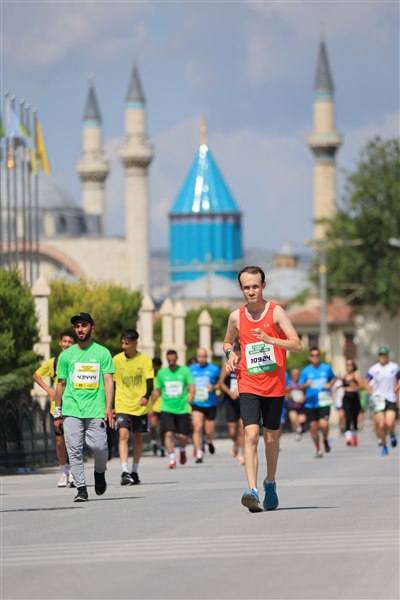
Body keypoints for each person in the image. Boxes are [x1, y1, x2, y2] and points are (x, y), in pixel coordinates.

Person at [223, 266, 302, 513]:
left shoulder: (276, 312)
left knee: (271, 438)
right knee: (250, 434)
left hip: (274, 385)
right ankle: (252, 490)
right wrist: (230, 354)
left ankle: (270, 481)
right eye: (246, 287)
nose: (251, 291)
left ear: (263, 286)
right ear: (241, 289)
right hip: (247, 382)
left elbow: (297, 344)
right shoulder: (236, 317)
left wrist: (270, 339)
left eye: (255, 286)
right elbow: (227, 341)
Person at [54, 312, 115, 502]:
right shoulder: (66, 355)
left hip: (96, 409)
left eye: (84, 325)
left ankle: (100, 471)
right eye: (77, 326)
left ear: (92, 328)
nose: (80, 329)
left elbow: (108, 381)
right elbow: (61, 383)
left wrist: (109, 407)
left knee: (99, 447)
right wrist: (57, 411)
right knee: (74, 449)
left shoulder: (102, 353)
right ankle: (81, 488)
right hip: (71, 409)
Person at [33, 329, 77, 488]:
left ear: (74, 344)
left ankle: (75, 473)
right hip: (57, 408)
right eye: (64, 341)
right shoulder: (54, 362)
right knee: (60, 442)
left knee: (73, 442)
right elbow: (36, 375)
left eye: (70, 342)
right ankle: (64, 472)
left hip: (76, 408)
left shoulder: (78, 361)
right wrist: (49, 390)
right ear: (60, 343)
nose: (66, 344)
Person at [113, 329, 154, 485]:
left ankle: (134, 471)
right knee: (123, 435)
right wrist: (111, 404)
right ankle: (124, 471)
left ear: (135, 343)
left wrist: (146, 396)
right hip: (122, 404)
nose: (124, 346)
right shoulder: (116, 360)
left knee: (138, 438)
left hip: (139, 406)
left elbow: (150, 382)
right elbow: (112, 383)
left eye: (127, 343)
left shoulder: (144, 360)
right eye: (122, 343)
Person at [152, 349, 195, 468]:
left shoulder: (184, 371)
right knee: (168, 434)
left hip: (182, 409)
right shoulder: (162, 373)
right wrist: (150, 406)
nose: (171, 362)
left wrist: (191, 395)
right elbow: (157, 391)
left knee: (182, 436)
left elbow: (191, 386)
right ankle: (172, 458)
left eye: (173, 360)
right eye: (169, 360)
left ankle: (182, 450)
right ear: (166, 359)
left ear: (176, 359)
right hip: (167, 408)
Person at [299, 348, 337, 458]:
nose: (315, 357)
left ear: (320, 357)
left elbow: (334, 378)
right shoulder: (306, 371)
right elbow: (300, 386)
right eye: (312, 355)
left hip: (324, 401)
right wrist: (306, 385)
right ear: (309, 357)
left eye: (317, 355)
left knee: (323, 424)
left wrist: (330, 385)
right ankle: (318, 448)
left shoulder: (326, 368)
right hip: (310, 403)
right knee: (313, 427)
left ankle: (325, 439)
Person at [365, 346, 400, 456]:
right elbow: (366, 381)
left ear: (387, 356)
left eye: (384, 355)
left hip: (390, 398)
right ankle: (384, 446)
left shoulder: (394, 367)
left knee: (389, 422)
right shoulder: (373, 369)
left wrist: (397, 387)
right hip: (378, 399)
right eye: (380, 355)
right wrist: (368, 390)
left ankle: (392, 433)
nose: (382, 357)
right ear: (378, 356)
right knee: (380, 425)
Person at [189, 348, 220, 463]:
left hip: (210, 403)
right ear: (197, 357)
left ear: (207, 357)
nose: (202, 359)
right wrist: (190, 392)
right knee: (197, 427)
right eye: (199, 356)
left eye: (204, 356)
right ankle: (199, 452)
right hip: (197, 403)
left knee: (209, 431)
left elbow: (220, 383)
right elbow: (187, 383)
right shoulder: (191, 369)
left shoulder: (214, 369)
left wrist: (214, 387)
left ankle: (209, 441)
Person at [218, 342, 245, 465]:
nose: (238, 356)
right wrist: (230, 393)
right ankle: (236, 443)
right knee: (232, 432)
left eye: (240, 353)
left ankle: (241, 453)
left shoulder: (246, 365)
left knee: (242, 428)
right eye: (237, 353)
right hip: (230, 401)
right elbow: (220, 383)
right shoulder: (227, 365)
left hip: (243, 401)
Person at [339, 359, 363, 447]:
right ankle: (348, 438)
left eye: (350, 365)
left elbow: (362, 385)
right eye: (347, 365)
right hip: (346, 398)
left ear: (353, 366)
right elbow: (339, 385)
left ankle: (354, 436)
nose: (349, 367)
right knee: (348, 417)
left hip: (355, 398)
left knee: (354, 418)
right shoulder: (344, 376)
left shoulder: (356, 375)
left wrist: (355, 386)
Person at [149, 357, 165, 457]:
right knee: (153, 425)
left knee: (163, 428)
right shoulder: (149, 377)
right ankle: (154, 441)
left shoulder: (163, 376)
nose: (154, 368)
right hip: (153, 407)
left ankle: (162, 445)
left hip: (163, 406)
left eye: (156, 366)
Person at [286, 367, 306, 441]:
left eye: (297, 374)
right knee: (293, 419)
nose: (296, 376)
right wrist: (290, 396)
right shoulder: (289, 383)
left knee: (302, 420)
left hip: (301, 406)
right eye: (294, 375)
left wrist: (304, 398)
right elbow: (286, 394)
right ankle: (297, 432)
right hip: (292, 405)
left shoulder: (302, 382)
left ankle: (299, 430)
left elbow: (307, 392)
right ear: (291, 375)